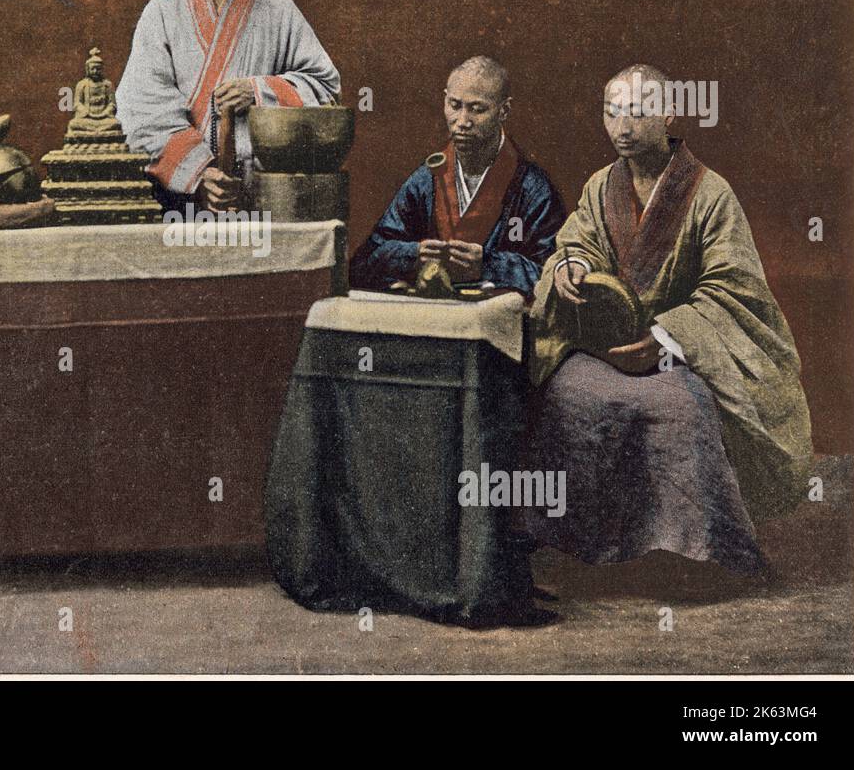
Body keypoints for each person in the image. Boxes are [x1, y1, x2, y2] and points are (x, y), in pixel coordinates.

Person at [525, 65, 814, 574]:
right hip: (607, 349)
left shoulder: (709, 193)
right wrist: (571, 267)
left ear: (670, 113)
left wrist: (667, 337)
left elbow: (732, 289)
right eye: (612, 112)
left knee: (683, 408)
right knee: (565, 391)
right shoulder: (600, 186)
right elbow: (576, 242)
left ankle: (696, 555)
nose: (623, 127)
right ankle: (580, 547)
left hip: (680, 353)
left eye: (638, 112)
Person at [115, 0, 340, 212]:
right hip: (180, 194)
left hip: (259, 193)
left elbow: (326, 88)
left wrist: (260, 91)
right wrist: (200, 173)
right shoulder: (163, 9)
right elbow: (141, 109)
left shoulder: (277, 7)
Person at [349, 56, 566, 295]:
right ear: (444, 101)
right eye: (454, 106)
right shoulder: (427, 180)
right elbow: (363, 263)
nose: (462, 122)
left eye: (477, 109)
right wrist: (412, 255)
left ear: (504, 110)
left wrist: (487, 265)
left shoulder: (532, 188)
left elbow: (552, 273)